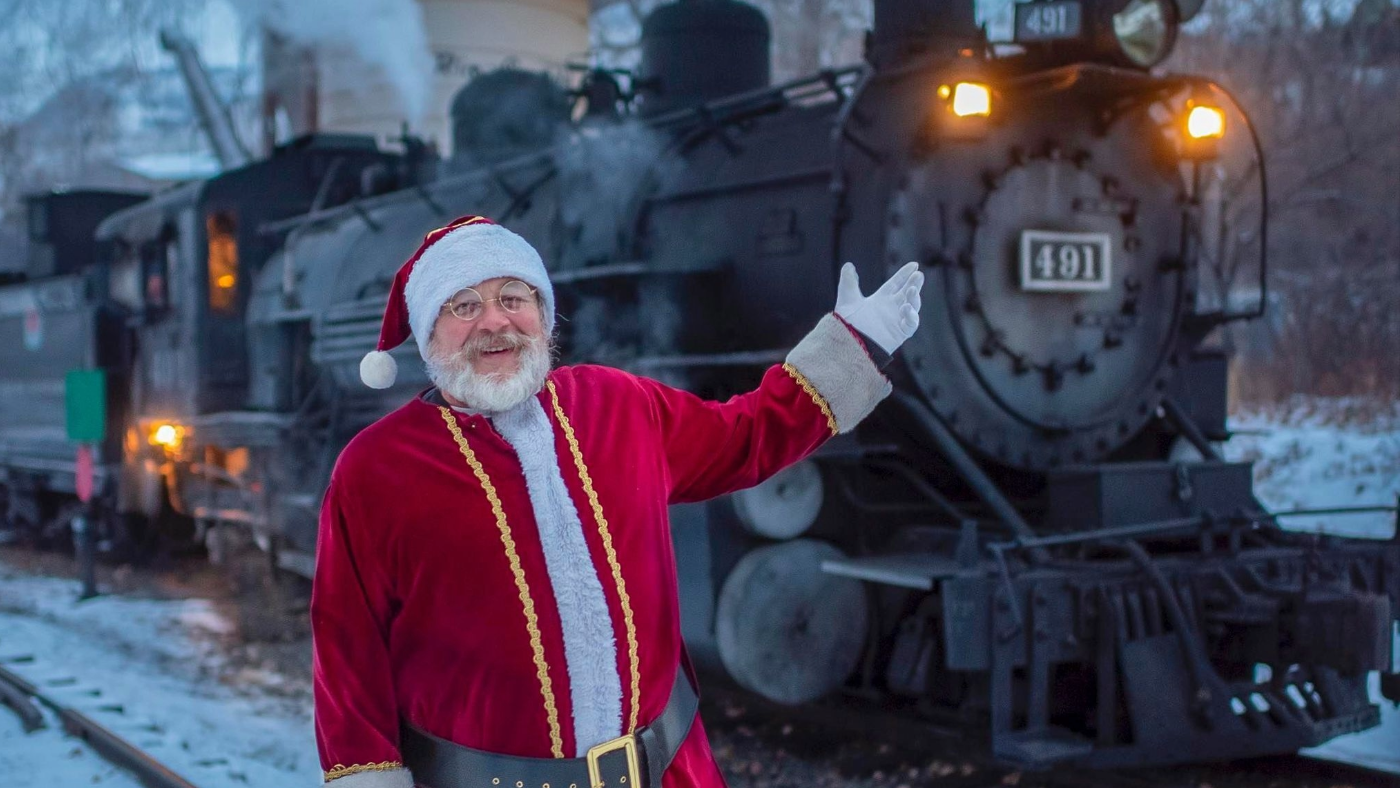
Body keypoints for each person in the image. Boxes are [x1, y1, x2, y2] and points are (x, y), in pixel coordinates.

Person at [312, 215, 923, 788]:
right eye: (464, 306)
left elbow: (746, 437)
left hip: (670, 769)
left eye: (513, 298)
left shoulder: (620, 404)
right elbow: (347, 651)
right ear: (427, 333)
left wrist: (854, 347)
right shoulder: (375, 469)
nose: (494, 322)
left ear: (543, 317)